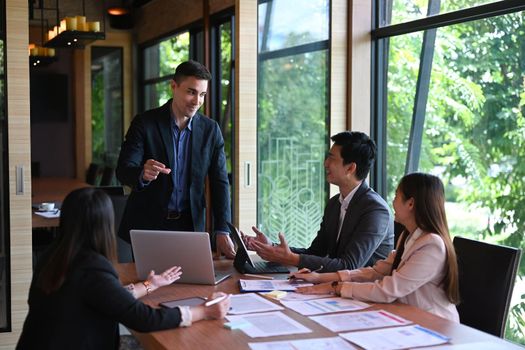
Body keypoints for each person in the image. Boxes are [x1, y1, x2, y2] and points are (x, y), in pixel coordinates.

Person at [17, 188, 231, 349]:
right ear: (104, 226)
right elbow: (142, 318)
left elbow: (104, 296)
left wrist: (148, 285)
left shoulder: (53, 257)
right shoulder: (92, 268)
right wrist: (203, 311)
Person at [293, 172, 460, 322]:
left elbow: (388, 290)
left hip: (433, 325)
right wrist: (319, 278)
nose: (392, 201)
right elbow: (376, 272)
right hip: (406, 316)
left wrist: (336, 287)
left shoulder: (432, 245)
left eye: (396, 196)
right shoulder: (408, 236)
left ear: (410, 204)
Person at [116, 60, 235, 258]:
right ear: (173, 86)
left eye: (202, 94)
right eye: (191, 92)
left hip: (190, 226)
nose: (197, 101)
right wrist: (142, 174)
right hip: (148, 224)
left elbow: (220, 182)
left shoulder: (210, 130)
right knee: (150, 286)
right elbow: (122, 170)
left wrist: (222, 230)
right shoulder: (145, 123)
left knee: (189, 287)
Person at [244, 131, 393, 272]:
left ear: (350, 168)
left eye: (331, 158)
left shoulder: (375, 210)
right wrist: (272, 247)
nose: (325, 163)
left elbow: (349, 266)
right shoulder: (335, 203)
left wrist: (291, 259)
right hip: (334, 288)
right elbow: (316, 252)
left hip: (365, 294)